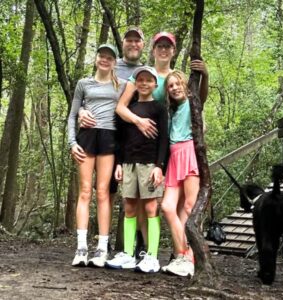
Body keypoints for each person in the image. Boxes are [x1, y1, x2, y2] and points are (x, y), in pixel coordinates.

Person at [68, 44, 127, 267]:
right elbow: (73, 115)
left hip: (109, 138)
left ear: (115, 63)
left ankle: (102, 248)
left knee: (103, 192)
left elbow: (127, 113)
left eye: (109, 57)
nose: (105, 60)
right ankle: (81, 247)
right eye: (101, 56)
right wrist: (72, 143)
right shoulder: (83, 84)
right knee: (85, 191)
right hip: (87, 138)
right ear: (96, 59)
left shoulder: (122, 85)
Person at [105, 66, 168, 273]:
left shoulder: (159, 107)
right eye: (140, 80)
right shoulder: (129, 108)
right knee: (129, 206)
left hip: (150, 164)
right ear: (135, 83)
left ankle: (151, 255)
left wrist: (160, 167)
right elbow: (121, 140)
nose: (143, 83)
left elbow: (164, 140)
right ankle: (128, 254)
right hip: (129, 164)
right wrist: (119, 164)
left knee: (151, 208)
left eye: (148, 80)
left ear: (155, 84)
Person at [160, 68, 208, 277]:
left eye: (178, 84)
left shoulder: (192, 103)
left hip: (188, 152)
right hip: (173, 158)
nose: (174, 88)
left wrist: (205, 76)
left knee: (189, 206)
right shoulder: (171, 111)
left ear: (185, 85)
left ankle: (188, 257)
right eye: (170, 86)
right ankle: (182, 254)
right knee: (168, 207)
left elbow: (202, 96)